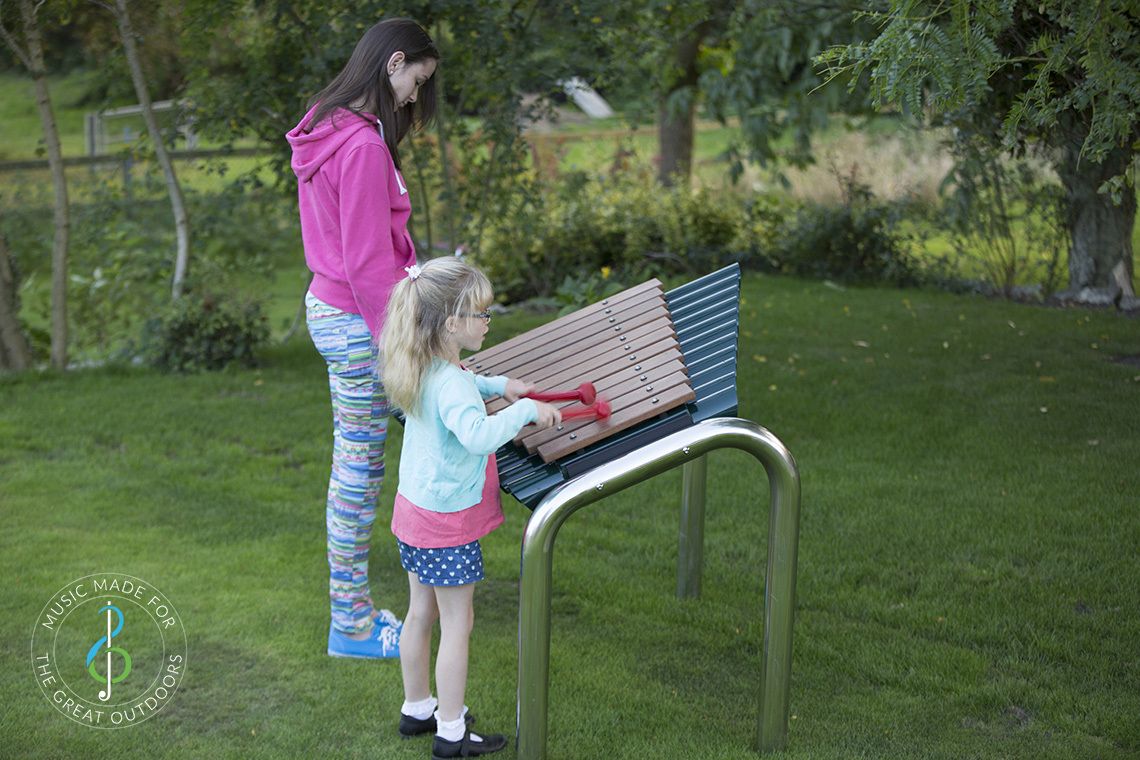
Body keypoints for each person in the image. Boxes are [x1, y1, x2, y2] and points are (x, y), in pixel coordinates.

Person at [286, 18, 439, 659]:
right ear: (393, 62)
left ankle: (349, 610)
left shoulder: (328, 125)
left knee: (356, 465)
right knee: (357, 471)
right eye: (415, 82)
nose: (412, 97)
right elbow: (368, 264)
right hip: (356, 322)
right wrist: (403, 345)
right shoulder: (362, 147)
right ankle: (349, 623)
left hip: (334, 313)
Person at [379, 258, 561, 758]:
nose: (486, 322)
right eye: (481, 315)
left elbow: (457, 384)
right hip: (447, 523)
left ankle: (418, 708)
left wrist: (499, 386)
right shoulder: (451, 383)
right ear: (451, 323)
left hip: (414, 513)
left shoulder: (423, 365)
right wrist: (525, 410)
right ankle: (452, 733)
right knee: (458, 623)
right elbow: (478, 436)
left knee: (420, 614)